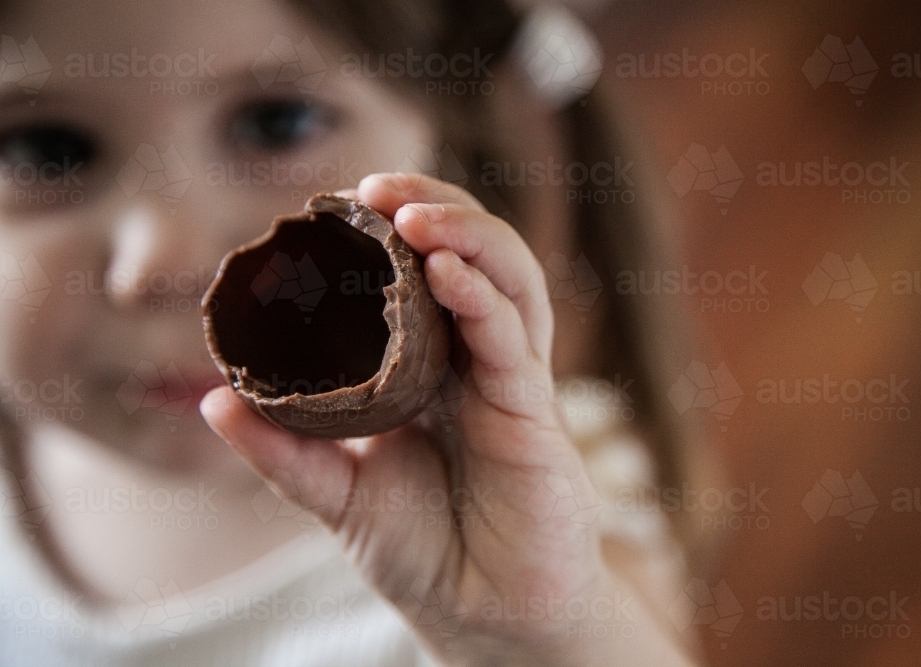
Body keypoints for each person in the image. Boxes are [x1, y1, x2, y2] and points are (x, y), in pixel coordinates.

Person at [0, 0, 709, 664]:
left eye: (277, 121)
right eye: (43, 148)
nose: (163, 258)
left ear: (448, 125)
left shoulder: (538, 504)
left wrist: (522, 634)